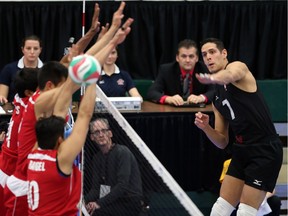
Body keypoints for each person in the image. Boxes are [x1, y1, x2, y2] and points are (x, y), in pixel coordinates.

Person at [194, 37, 283, 216]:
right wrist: (206, 128)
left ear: (224, 53)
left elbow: (230, 75)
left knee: (245, 212)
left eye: (212, 52)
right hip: (241, 150)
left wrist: (212, 78)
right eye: (204, 55)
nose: (208, 57)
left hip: (264, 150)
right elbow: (222, 141)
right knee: (220, 209)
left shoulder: (237, 68)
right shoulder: (216, 99)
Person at [85, 118, 143, 216]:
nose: (101, 135)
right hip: (112, 201)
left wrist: (98, 203)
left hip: (129, 202)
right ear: (92, 137)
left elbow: (122, 186)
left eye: (104, 130)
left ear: (110, 134)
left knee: (96, 212)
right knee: (86, 210)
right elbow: (96, 189)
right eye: (96, 132)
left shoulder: (122, 152)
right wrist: (82, 201)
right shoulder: (97, 158)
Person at [0, 68, 38, 215]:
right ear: (30, 92)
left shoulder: (18, 97)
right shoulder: (31, 105)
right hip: (13, 172)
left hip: (5, 165)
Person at [147, 39, 214, 106]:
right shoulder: (166, 70)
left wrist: (201, 98)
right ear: (177, 58)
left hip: (199, 112)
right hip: (173, 112)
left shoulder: (205, 69)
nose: (187, 60)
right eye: (184, 56)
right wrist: (168, 99)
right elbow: (151, 92)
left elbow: (214, 91)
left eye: (191, 56)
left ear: (196, 58)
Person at [0, 35, 43, 104]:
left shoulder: (46, 70)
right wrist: (1, 98)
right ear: (23, 50)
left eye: (35, 48)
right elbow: (2, 96)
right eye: (28, 48)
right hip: (14, 110)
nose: (32, 52)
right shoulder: (9, 69)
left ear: (40, 50)